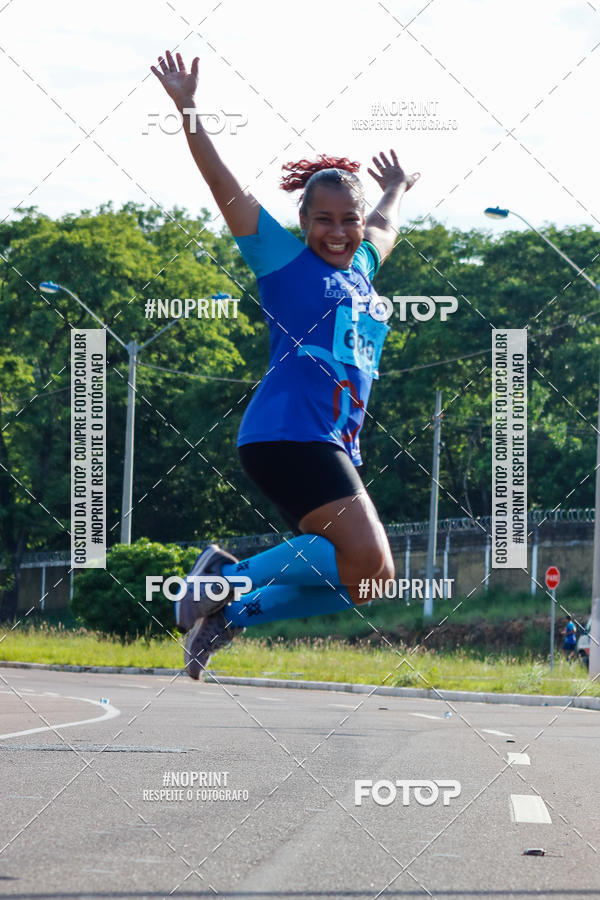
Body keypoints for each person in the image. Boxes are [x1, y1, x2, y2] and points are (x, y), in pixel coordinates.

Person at [151, 51, 420, 679]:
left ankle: (228, 616)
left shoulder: (361, 269)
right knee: (367, 555)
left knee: (370, 579)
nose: (338, 231)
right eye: (323, 219)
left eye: (347, 221)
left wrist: (396, 188)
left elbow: (384, 226)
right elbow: (225, 187)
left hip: (329, 442)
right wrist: (188, 109)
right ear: (302, 221)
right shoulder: (282, 263)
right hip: (288, 434)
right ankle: (221, 578)